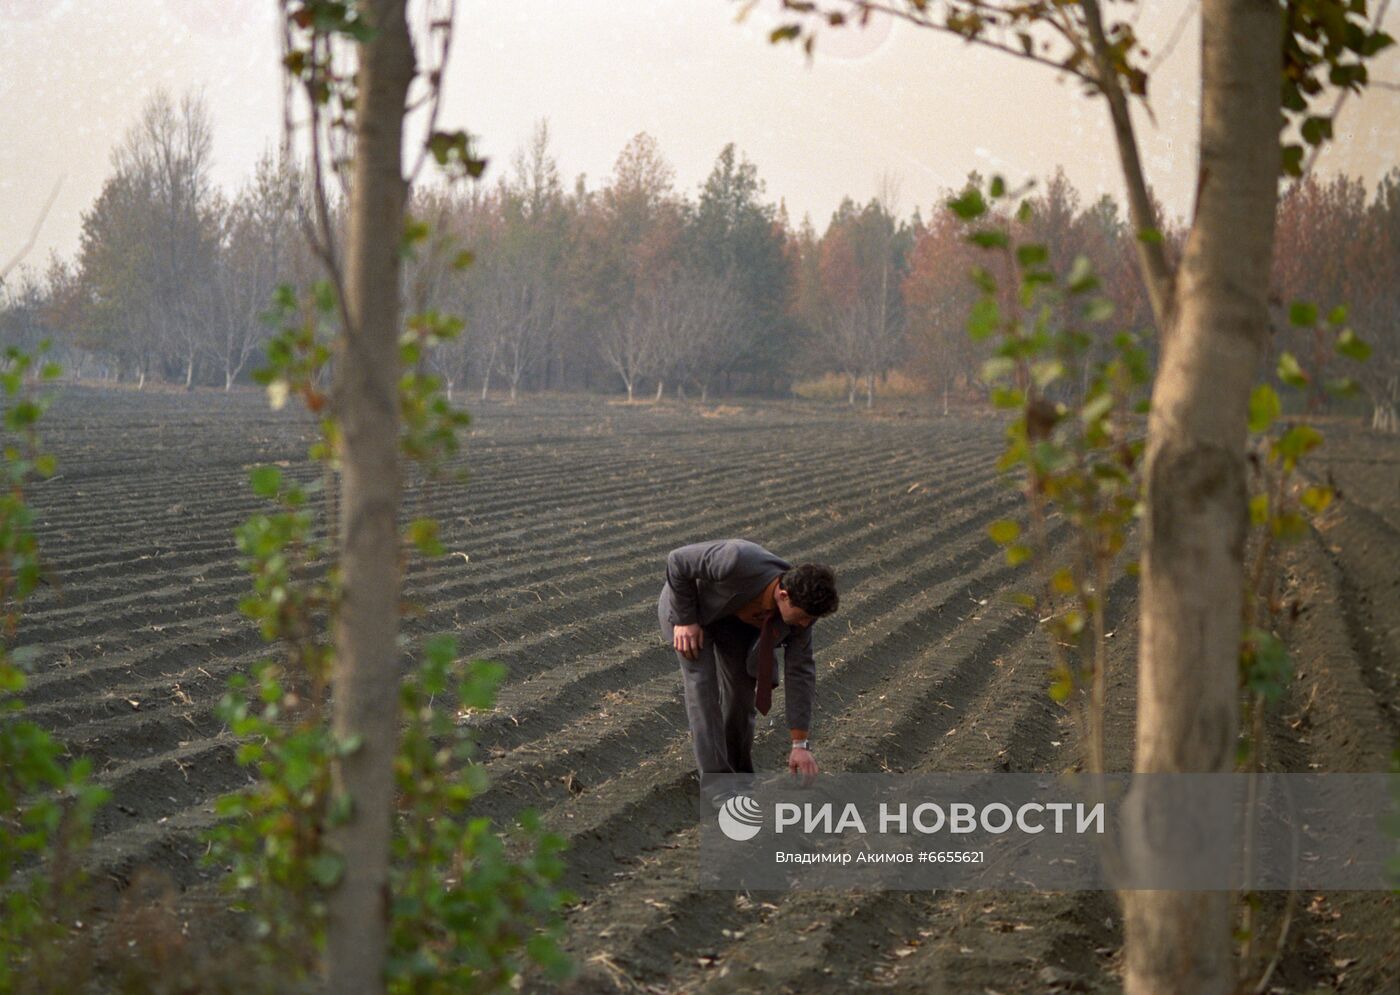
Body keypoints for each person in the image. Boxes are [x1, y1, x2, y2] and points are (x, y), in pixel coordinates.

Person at [657, 539, 839, 785]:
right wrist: (685, 620)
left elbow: (800, 672)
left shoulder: (803, 615)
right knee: (703, 689)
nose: (805, 624)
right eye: (804, 617)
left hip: (735, 623)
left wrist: (800, 744)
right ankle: (718, 784)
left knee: (741, 696)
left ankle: (740, 774)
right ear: (783, 595)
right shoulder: (736, 559)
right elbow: (678, 560)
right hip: (692, 612)